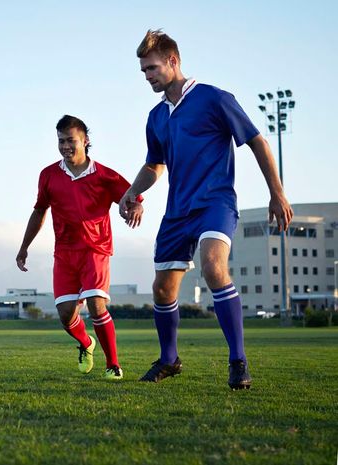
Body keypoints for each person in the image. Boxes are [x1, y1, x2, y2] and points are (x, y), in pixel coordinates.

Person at [119, 29, 293, 389]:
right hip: (177, 211)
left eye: (152, 68)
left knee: (214, 268)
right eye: (143, 71)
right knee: (163, 291)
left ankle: (238, 361)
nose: (148, 76)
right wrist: (132, 192)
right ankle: (169, 360)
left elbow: (257, 141)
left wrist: (277, 192)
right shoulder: (155, 117)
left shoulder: (214, 98)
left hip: (216, 202)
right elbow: (155, 165)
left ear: (173, 60)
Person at [16, 115, 143, 381]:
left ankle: (113, 365)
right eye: (60, 141)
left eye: (70, 140)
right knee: (65, 315)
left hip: (96, 250)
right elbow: (39, 211)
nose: (65, 146)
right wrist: (24, 247)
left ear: (85, 141)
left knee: (97, 305)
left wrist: (135, 206)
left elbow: (132, 197)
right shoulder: (48, 175)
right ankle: (86, 344)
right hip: (64, 253)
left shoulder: (105, 175)